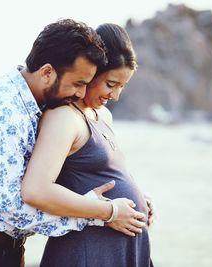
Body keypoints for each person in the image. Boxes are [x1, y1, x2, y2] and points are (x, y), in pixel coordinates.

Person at [0, 19, 147, 267]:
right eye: (78, 83)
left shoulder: (32, 106)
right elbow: (10, 206)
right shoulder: (7, 111)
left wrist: (130, 196)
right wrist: (102, 214)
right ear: (47, 72)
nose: (80, 93)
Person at [21, 23, 154, 266]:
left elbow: (101, 174)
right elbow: (36, 189)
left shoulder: (103, 116)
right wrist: (111, 211)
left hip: (120, 250)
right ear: (91, 73)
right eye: (110, 84)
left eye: (122, 86)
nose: (115, 96)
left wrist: (138, 200)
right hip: (87, 250)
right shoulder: (64, 118)